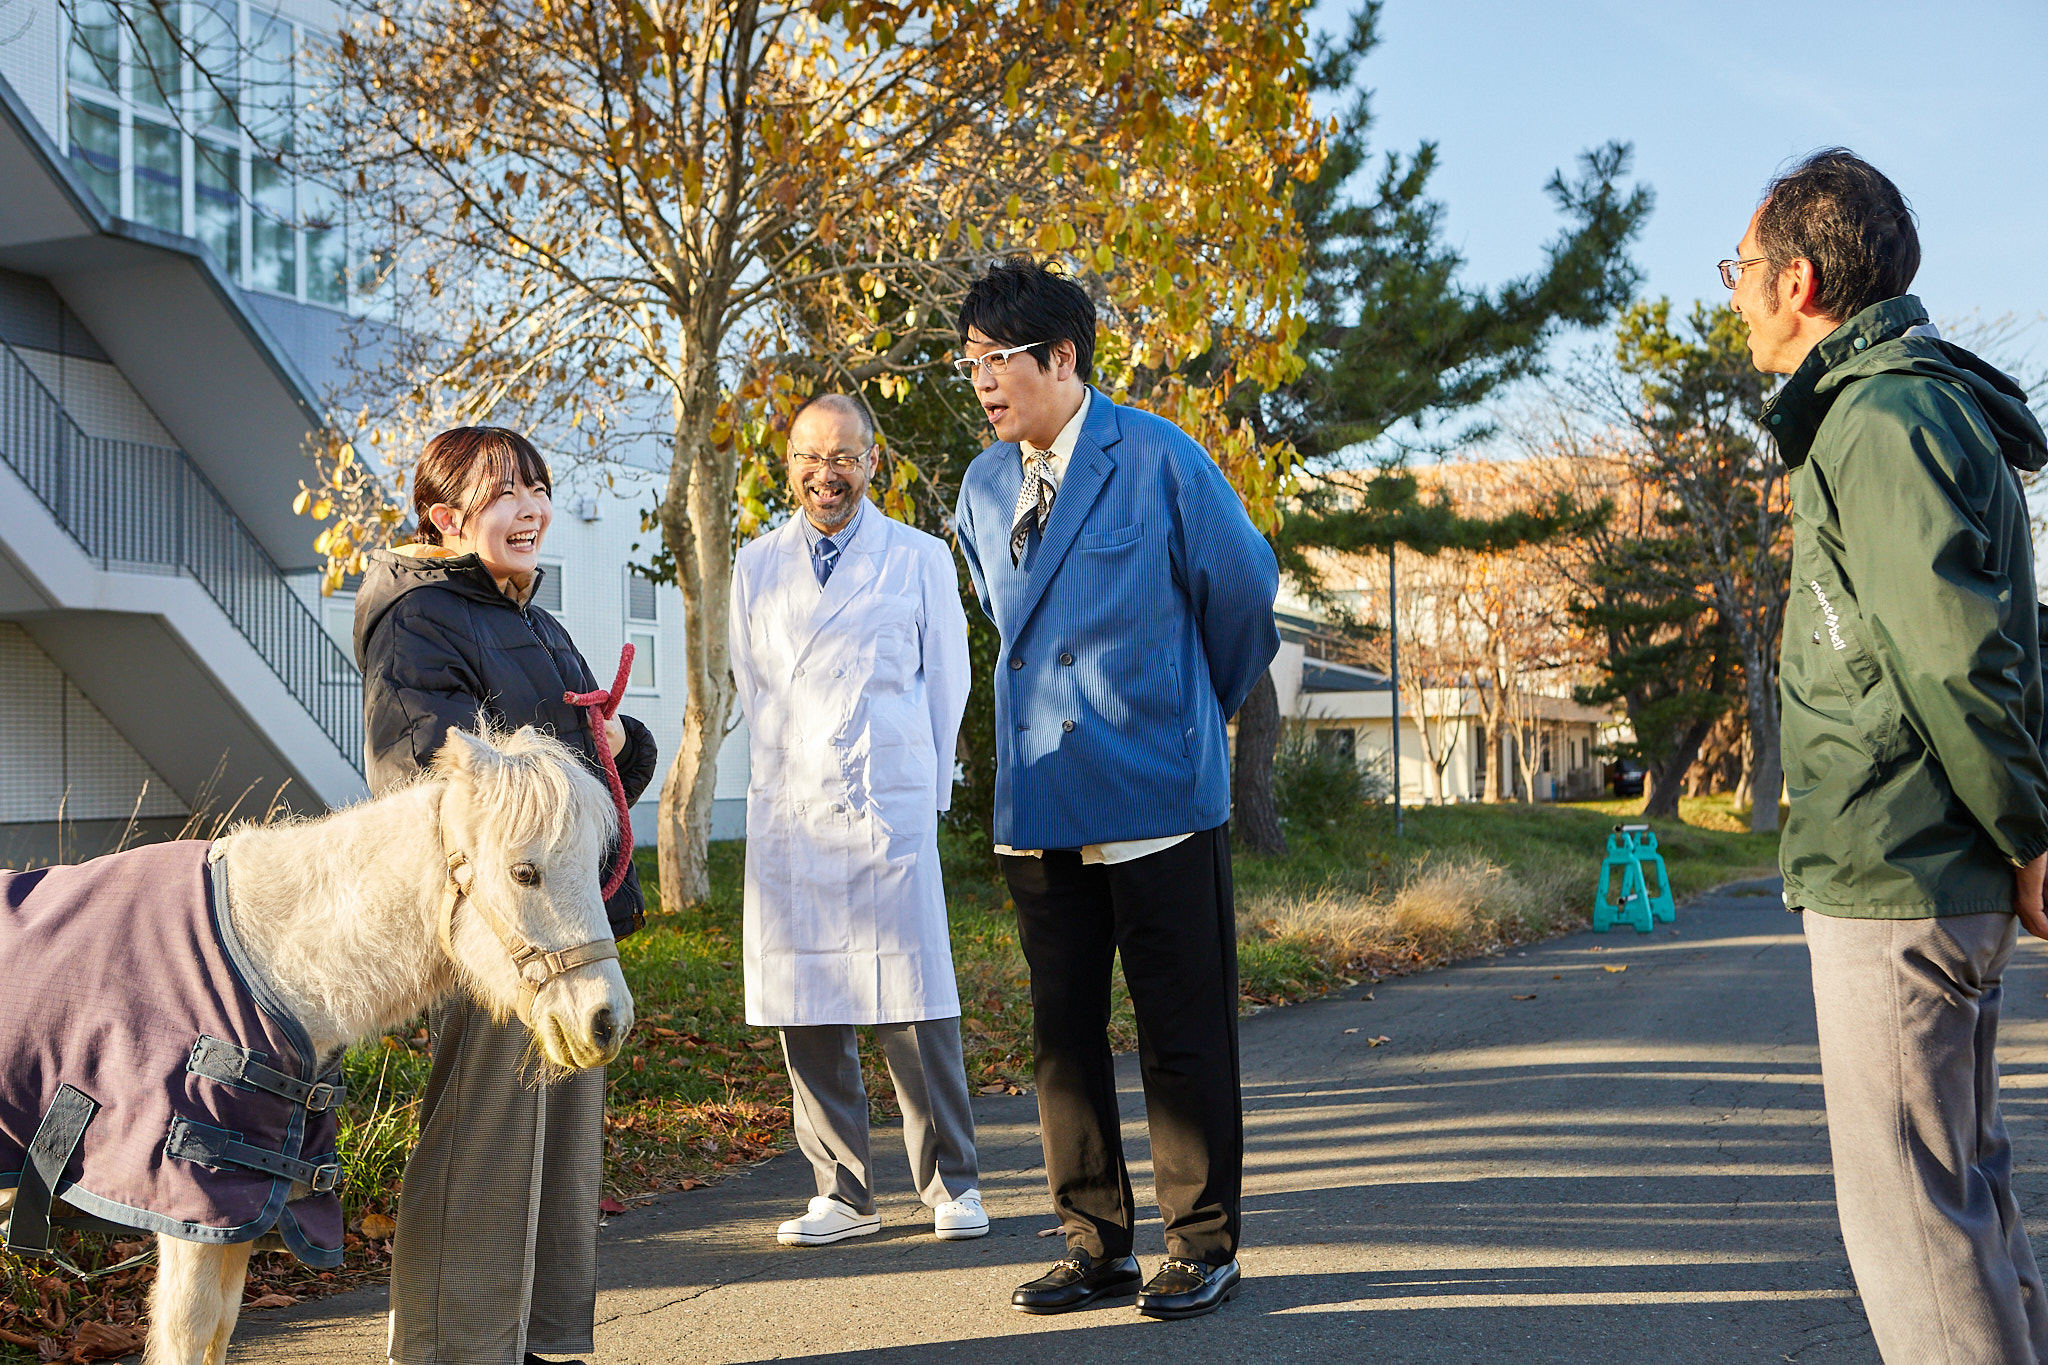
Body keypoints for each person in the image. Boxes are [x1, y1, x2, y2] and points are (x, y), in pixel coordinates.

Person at [1732, 149, 2048, 1362]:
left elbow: (1953, 656)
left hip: (1899, 865)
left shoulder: (1877, 418)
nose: (1733, 293)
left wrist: (2026, 833)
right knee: (1962, 1196)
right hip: (1928, 862)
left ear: (1797, 280)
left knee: (1917, 1227)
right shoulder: (1907, 408)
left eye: (1738, 268)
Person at [951, 258, 1280, 1321]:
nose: (981, 382)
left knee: (1182, 1030)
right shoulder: (982, 485)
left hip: (1156, 795)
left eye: (996, 359)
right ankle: (1093, 1244)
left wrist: (1187, 709)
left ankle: (1202, 1243)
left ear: (1061, 357)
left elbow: (1244, 593)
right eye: (968, 364)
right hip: (1040, 801)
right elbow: (1009, 621)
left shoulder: (1158, 456)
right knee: (1063, 1038)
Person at [354, 426, 659, 1365]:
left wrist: (622, 744)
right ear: (446, 517)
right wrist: (563, 767)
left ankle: (529, 1339)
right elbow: (428, 771)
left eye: (538, 489)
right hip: (498, 930)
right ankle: (453, 1350)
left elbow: (584, 780)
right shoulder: (418, 617)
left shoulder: (533, 618)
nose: (531, 510)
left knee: (559, 1147)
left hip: (566, 923)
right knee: (483, 1142)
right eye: (504, 495)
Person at [729, 393, 984, 1246]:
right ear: (789, 464)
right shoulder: (756, 564)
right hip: (794, 809)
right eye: (809, 456)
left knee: (915, 1002)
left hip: (886, 807)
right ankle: (842, 1193)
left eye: (842, 457)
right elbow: (754, 684)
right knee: (807, 1000)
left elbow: (948, 683)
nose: (825, 473)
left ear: (872, 463)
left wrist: (924, 792)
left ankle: (952, 1183)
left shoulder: (918, 557)